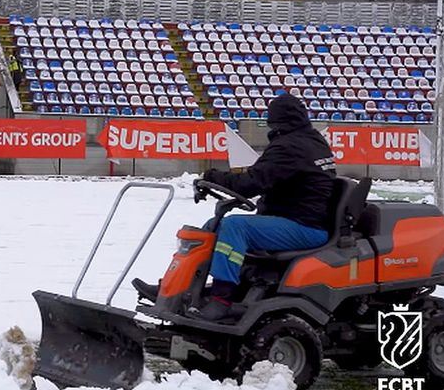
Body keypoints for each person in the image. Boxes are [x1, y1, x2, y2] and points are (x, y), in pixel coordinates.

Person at [134, 94, 337, 320]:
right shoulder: (309, 141)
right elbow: (265, 177)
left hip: (304, 227)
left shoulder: (291, 147)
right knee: (212, 226)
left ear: (276, 121)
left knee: (235, 227)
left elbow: (251, 182)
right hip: (293, 217)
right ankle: (176, 288)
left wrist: (213, 177)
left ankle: (222, 299)